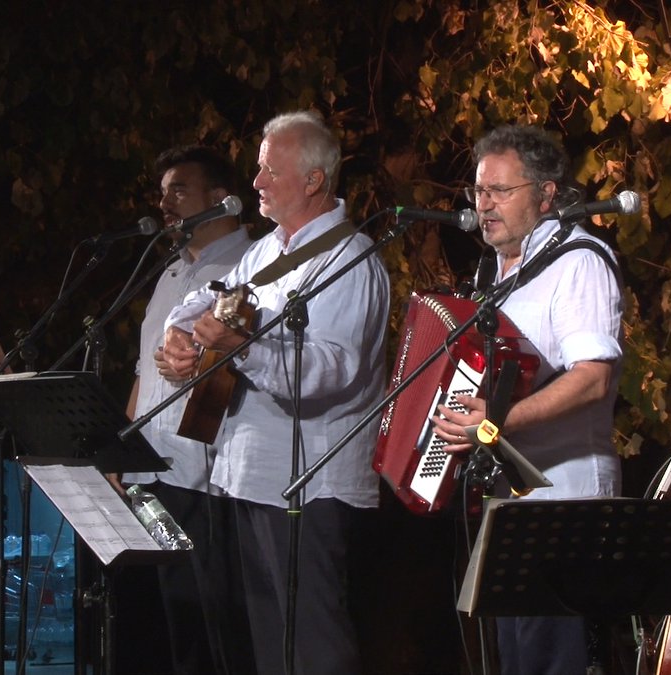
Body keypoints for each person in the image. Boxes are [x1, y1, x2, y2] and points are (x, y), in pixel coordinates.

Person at [161, 110, 389, 675]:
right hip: (250, 476)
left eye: (269, 171)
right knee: (269, 650)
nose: (256, 182)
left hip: (310, 487)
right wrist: (181, 335)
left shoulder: (350, 258)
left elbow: (329, 373)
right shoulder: (265, 252)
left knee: (312, 648)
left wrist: (240, 346)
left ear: (313, 180)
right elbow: (209, 301)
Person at [431, 125, 624, 675]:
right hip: (511, 506)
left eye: (499, 191)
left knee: (553, 663)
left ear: (545, 194)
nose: (483, 204)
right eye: (478, 191)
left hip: (564, 505)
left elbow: (592, 378)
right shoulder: (495, 275)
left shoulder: (577, 261)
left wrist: (497, 422)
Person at [120, 144, 256, 675]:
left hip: (202, 474)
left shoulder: (248, 267)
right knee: (167, 623)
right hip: (151, 467)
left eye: (179, 190)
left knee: (212, 626)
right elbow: (142, 371)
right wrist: (123, 446)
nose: (165, 203)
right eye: (163, 192)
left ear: (220, 200)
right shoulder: (171, 273)